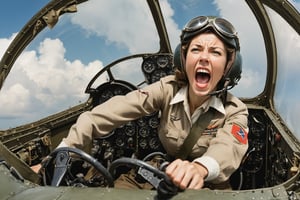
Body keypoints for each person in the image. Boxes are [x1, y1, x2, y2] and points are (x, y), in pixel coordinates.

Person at [37, 15, 249, 190]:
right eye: (196, 49)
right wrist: (63, 150)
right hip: (164, 170)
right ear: (183, 59)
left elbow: (228, 148)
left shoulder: (235, 110)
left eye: (216, 52)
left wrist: (200, 168)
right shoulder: (166, 88)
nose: (204, 58)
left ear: (229, 66)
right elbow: (107, 113)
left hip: (208, 183)